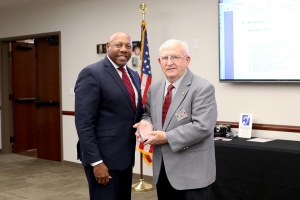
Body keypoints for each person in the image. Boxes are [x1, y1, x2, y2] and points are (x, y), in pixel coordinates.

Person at [135, 39, 218, 200]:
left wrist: (166, 137)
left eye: (175, 57)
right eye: (165, 58)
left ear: (187, 60)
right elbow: (149, 114)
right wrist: (146, 123)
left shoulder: (202, 88)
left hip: (193, 176)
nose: (169, 63)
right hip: (163, 172)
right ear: (159, 61)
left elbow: (203, 127)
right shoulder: (155, 88)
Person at [75, 32, 143, 200]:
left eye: (128, 46)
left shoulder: (133, 75)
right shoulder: (92, 73)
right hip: (103, 160)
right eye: (118, 45)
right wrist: (96, 162)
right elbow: (84, 123)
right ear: (108, 46)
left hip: (125, 158)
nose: (124, 50)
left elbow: (135, 111)